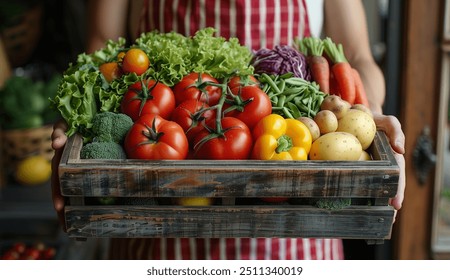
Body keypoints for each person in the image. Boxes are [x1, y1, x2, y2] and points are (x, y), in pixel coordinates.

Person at [51, 0, 406, 260]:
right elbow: (102, 44)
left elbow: (358, 55)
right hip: (159, 216)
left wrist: (366, 115)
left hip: (294, 227)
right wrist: (83, 107)